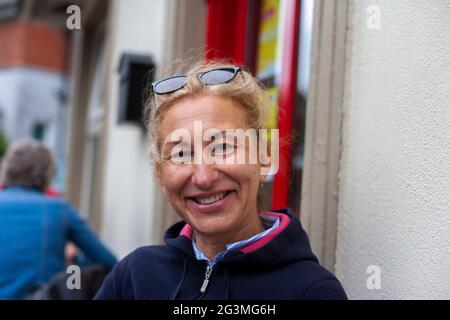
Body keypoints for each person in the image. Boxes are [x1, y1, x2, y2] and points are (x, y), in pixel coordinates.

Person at [95, 62, 347, 300]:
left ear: (264, 157)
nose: (204, 177)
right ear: (159, 173)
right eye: (181, 153)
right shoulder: (133, 278)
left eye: (223, 146)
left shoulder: (312, 291)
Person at [0, 140, 117, 299]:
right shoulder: (59, 210)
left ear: (8, 170)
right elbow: (108, 262)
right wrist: (74, 259)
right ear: (47, 175)